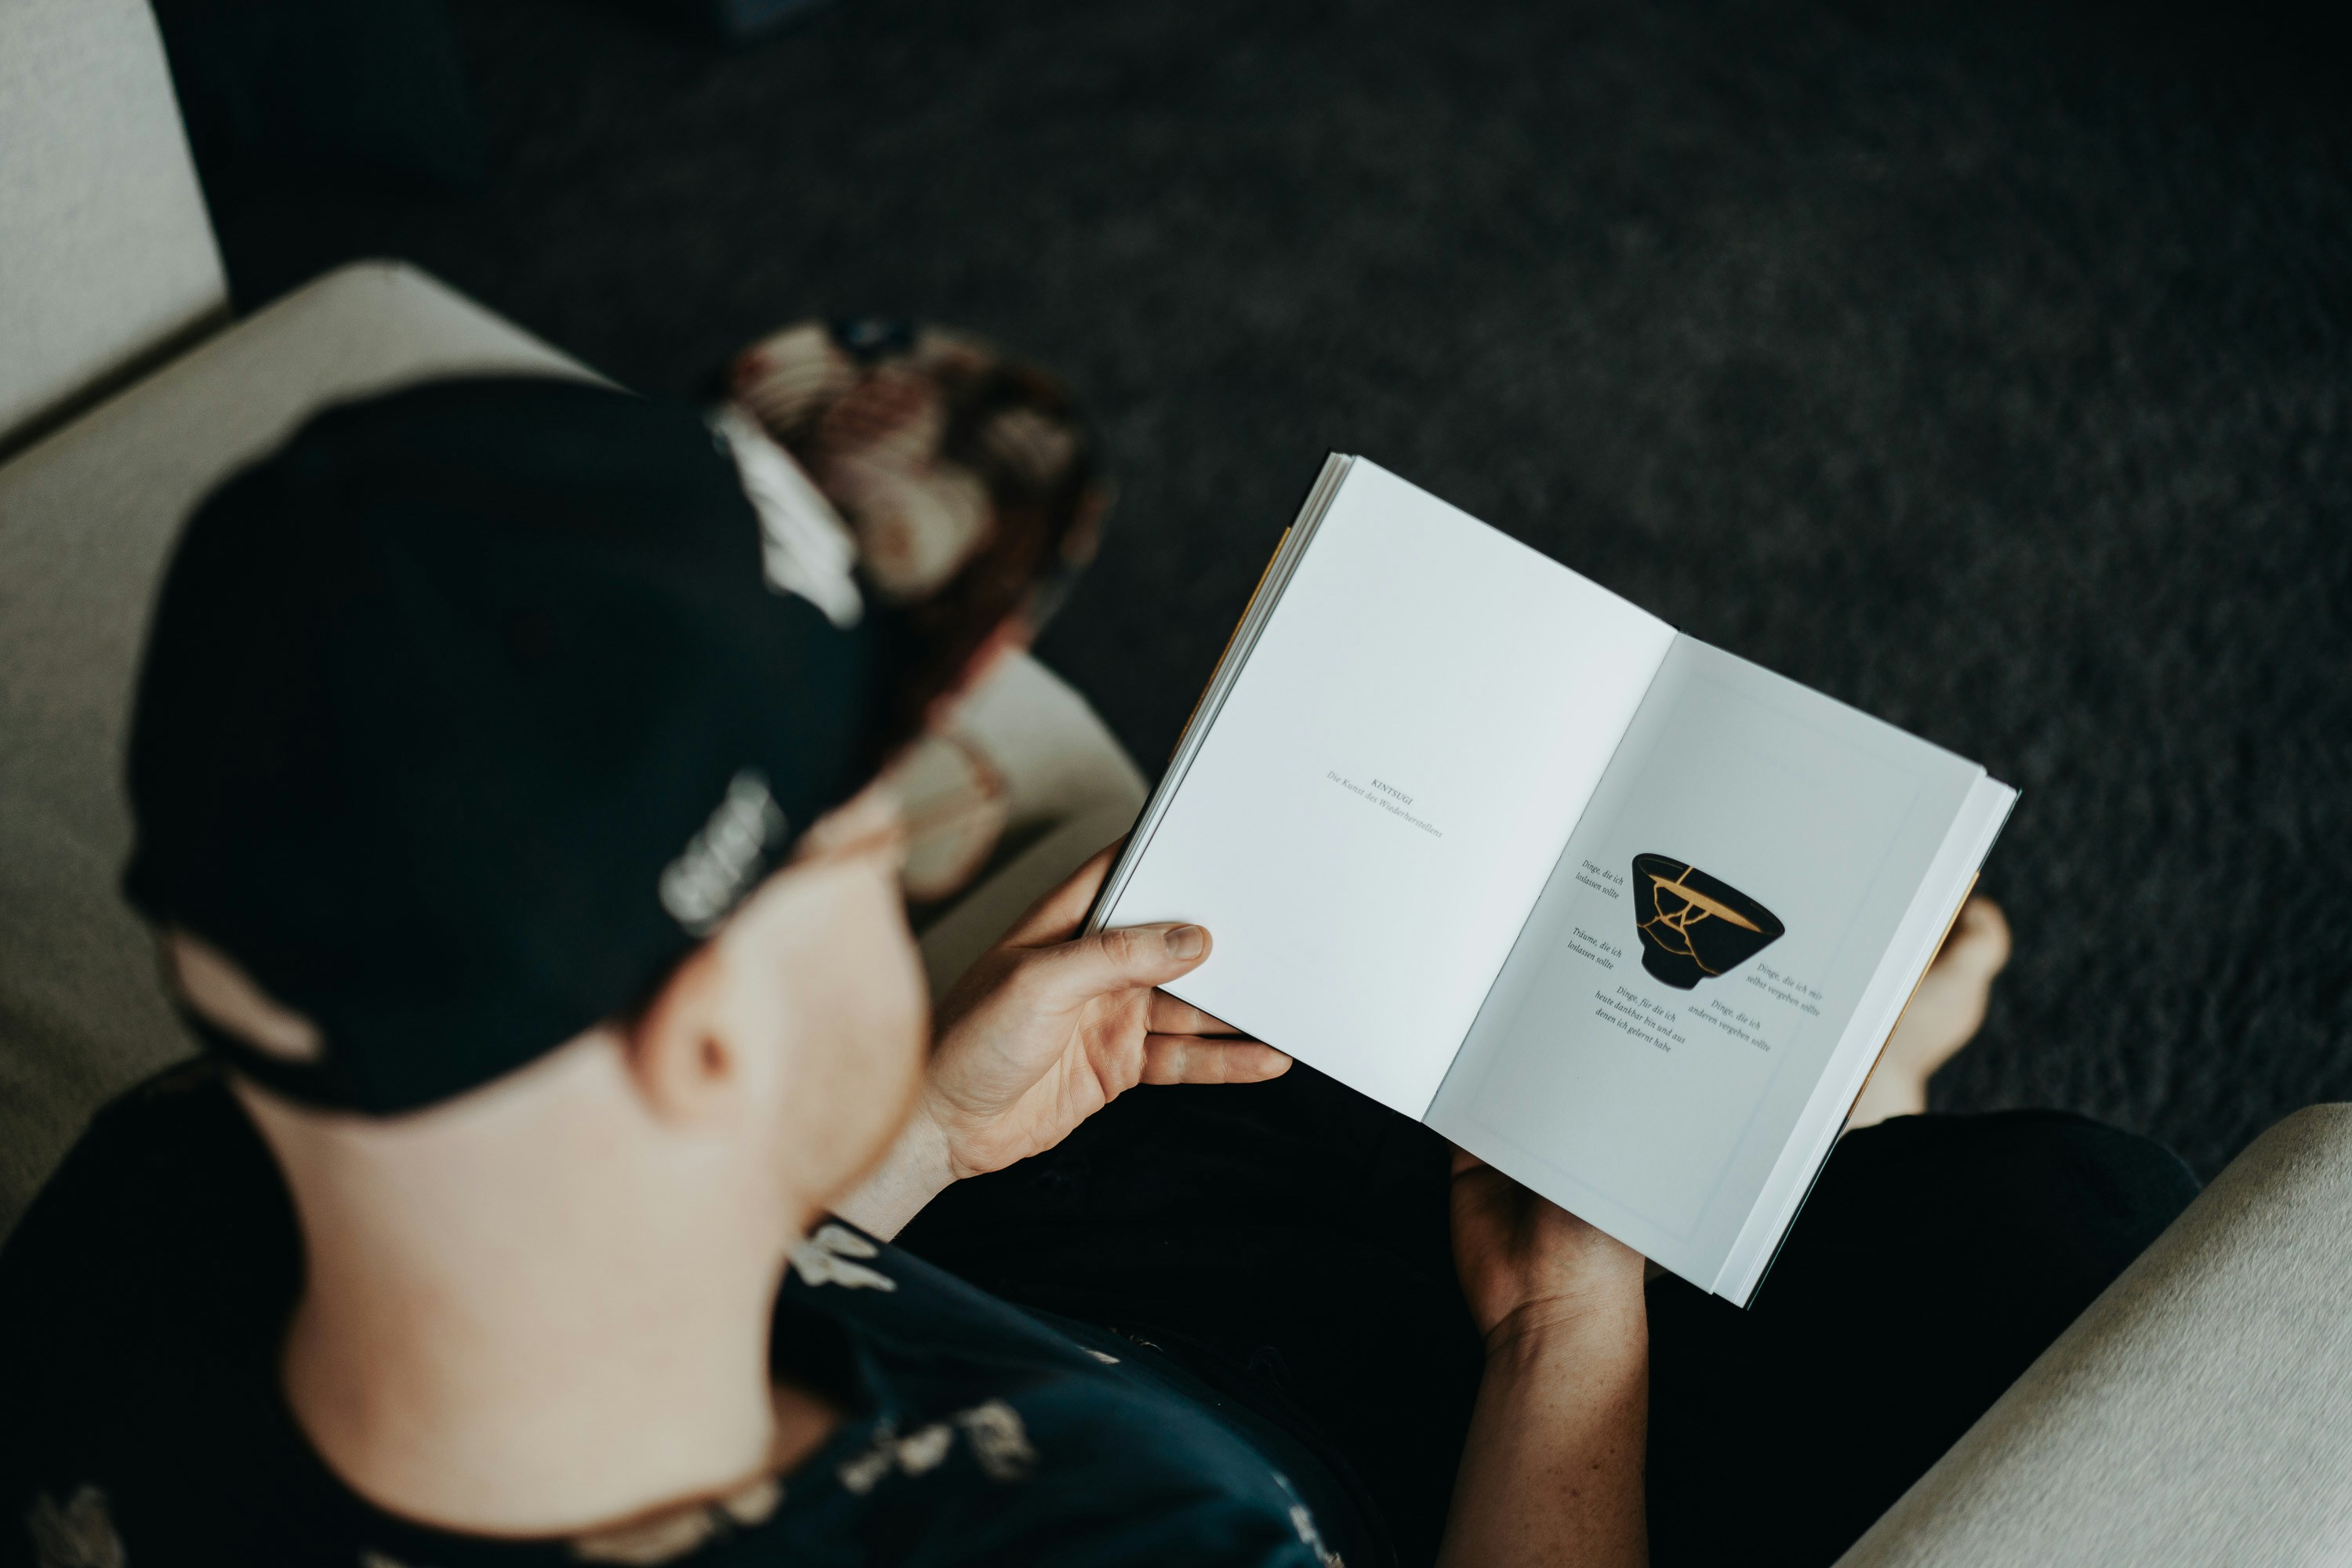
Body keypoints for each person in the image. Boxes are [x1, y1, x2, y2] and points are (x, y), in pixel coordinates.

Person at [0, 353, 2198, 1568]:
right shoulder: (1142, 1533)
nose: (910, 852)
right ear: (694, 1043)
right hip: (1353, 1442)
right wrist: (1563, 1346)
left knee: (1340, 1040)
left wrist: (903, 1152)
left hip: (931, 1269)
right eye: (868, 838)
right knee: (2074, 1240)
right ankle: (1856, 1104)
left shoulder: (153, 1201)